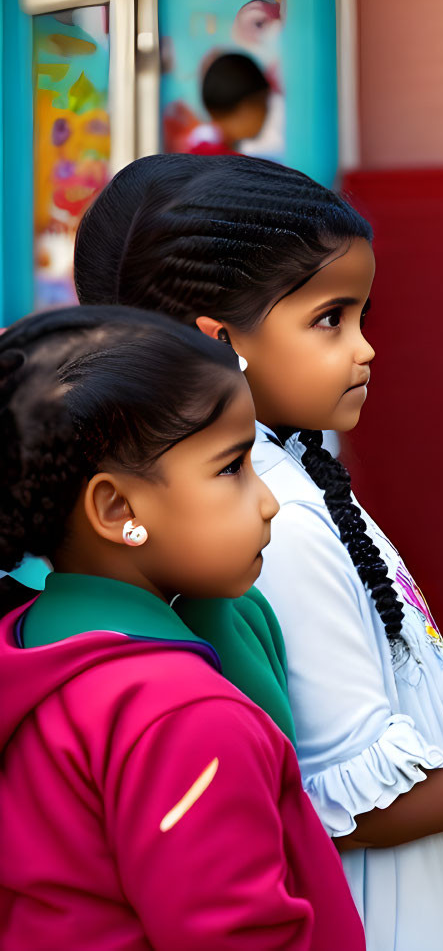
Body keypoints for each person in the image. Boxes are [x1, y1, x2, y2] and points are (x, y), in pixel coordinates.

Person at [73, 154, 443, 951]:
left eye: (360, 315)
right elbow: (366, 805)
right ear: (220, 342)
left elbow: (413, 726)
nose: (365, 347)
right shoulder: (271, 521)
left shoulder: (302, 478)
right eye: (329, 318)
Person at [0, 305, 365, 949]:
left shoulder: (32, 643)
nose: (269, 500)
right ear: (118, 509)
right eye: (231, 468)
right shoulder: (181, 715)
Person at [187, 52, 271, 155]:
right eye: (265, 101)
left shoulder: (198, 151)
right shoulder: (237, 166)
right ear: (247, 107)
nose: (267, 111)